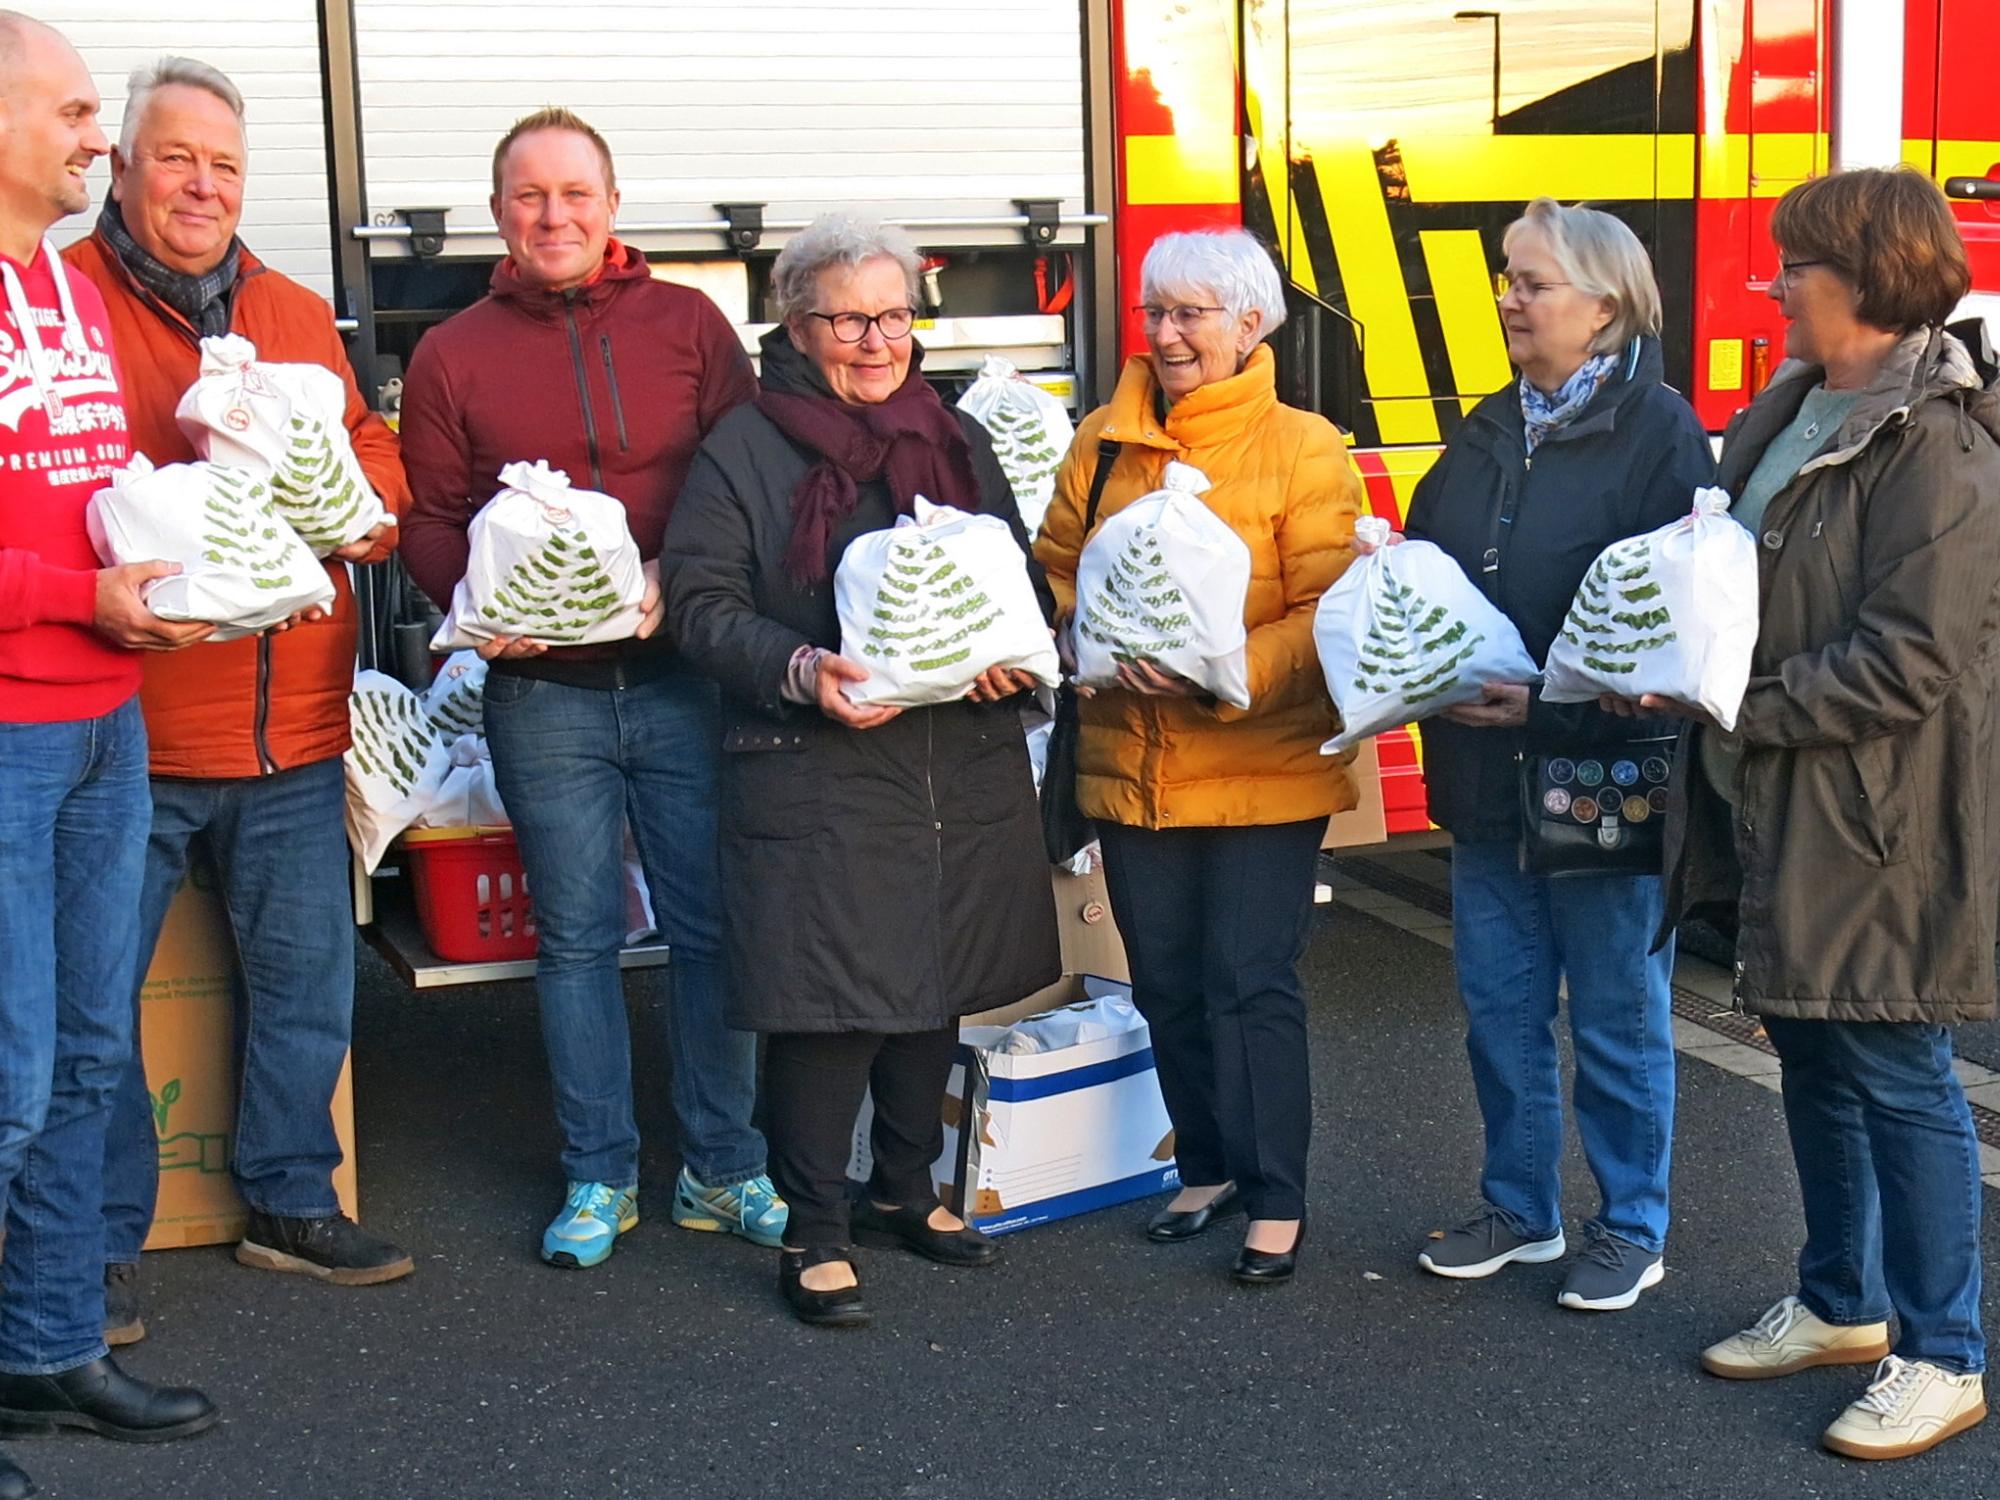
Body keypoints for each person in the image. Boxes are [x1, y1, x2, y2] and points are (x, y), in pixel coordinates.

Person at [1650, 167, 1998, 1460]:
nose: (1777, 283)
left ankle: (1945, 1352)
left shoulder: (1943, 444)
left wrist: (1731, 702)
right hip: (1782, 800)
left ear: (1864, 274)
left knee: (1900, 1074)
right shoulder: (1793, 407)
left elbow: (1912, 659)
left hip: (1879, 817)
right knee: (1811, 1054)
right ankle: (1843, 1302)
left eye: (1795, 263)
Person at [64, 57, 414, 1337]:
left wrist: (371, 507)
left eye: (223, 163)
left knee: (309, 986)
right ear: (119, 165)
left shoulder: (290, 307)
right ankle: (96, 1246)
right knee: (92, 1004)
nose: (202, 184)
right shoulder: (69, 305)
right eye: (175, 157)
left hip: (295, 727)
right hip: (135, 729)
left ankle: (288, 1202)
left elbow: (368, 453)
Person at [400, 108, 783, 1269]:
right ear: (498, 213)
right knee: (573, 938)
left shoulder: (689, 325)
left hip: (684, 681)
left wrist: (686, 573)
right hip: (543, 697)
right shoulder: (452, 352)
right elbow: (429, 517)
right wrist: (479, 615)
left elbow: (747, 475)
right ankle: (597, 1175)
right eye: (529, 196)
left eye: (574, 193)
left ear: (612, 208)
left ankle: (724, 1168)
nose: (552, 215)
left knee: (710, 927)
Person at [663, 213, 1059, 1328]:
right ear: (796, 325)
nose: (876, 340)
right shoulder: (745, 448)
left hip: (953, 760)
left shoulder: (948, 433)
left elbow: (1011, 574)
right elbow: (698, 605)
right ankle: (815, 1229)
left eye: (892, 316)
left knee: (931, 983)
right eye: (848, 319)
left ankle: (905, 1191)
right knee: (831, 1003)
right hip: (817, 761)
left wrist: (1004, 665)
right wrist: (796, 667)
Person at [1399, 199, 1713, 1309]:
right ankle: (1519, 1209)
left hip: (1598, 768)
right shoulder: (1489, 423)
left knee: (1617, 1019)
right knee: (1500, 1007)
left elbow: (1671, 628)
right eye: (1504, 277)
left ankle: (1630, 1224)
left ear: (1604, 304)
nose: (1506, 298)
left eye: (1530, 282)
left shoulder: (1657, 431)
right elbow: (1428, 560)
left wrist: (1542, 706)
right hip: (1485, 769)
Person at [1034, 228, 1359, 1286]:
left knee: (1245, 978)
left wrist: (1220, 667)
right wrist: (1086, 644)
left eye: (1189, 314)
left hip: (1259, 762)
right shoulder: (1104, 443)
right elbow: (1055, 575)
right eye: (1153, 313)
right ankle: (1206, 1165)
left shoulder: (1303, 447)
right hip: (1131, 761)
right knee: (1166, 981)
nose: (1165, 335)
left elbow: (1329, 610)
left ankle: (1276, 1194)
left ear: (1248, 322)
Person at [0, 14, 217, 1495]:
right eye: (75, 109)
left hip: (103, 723)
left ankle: (47, 1345)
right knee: (9, 1079)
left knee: (87, 1060)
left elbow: (87, 494)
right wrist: (83, 596)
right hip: (13, 737)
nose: (102, 137)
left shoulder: (65, 287)